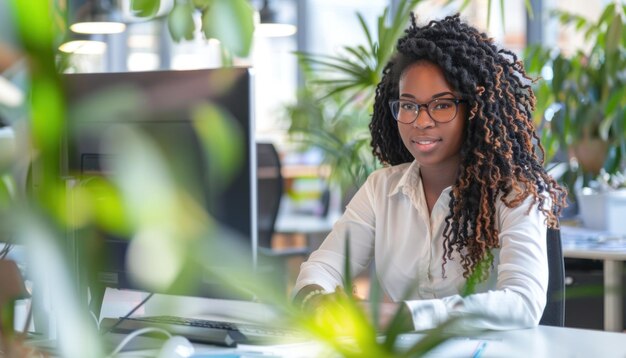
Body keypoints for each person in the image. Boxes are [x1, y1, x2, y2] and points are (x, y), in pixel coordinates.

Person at [292, 13, 566, 331]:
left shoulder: (517, 193)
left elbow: (522, 303)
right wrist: (319, 302)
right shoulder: (381, 189)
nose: (421, 121)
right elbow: (322, 268)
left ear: (474, 109)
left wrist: (399, 316)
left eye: (441, 104)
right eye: (408, 105)